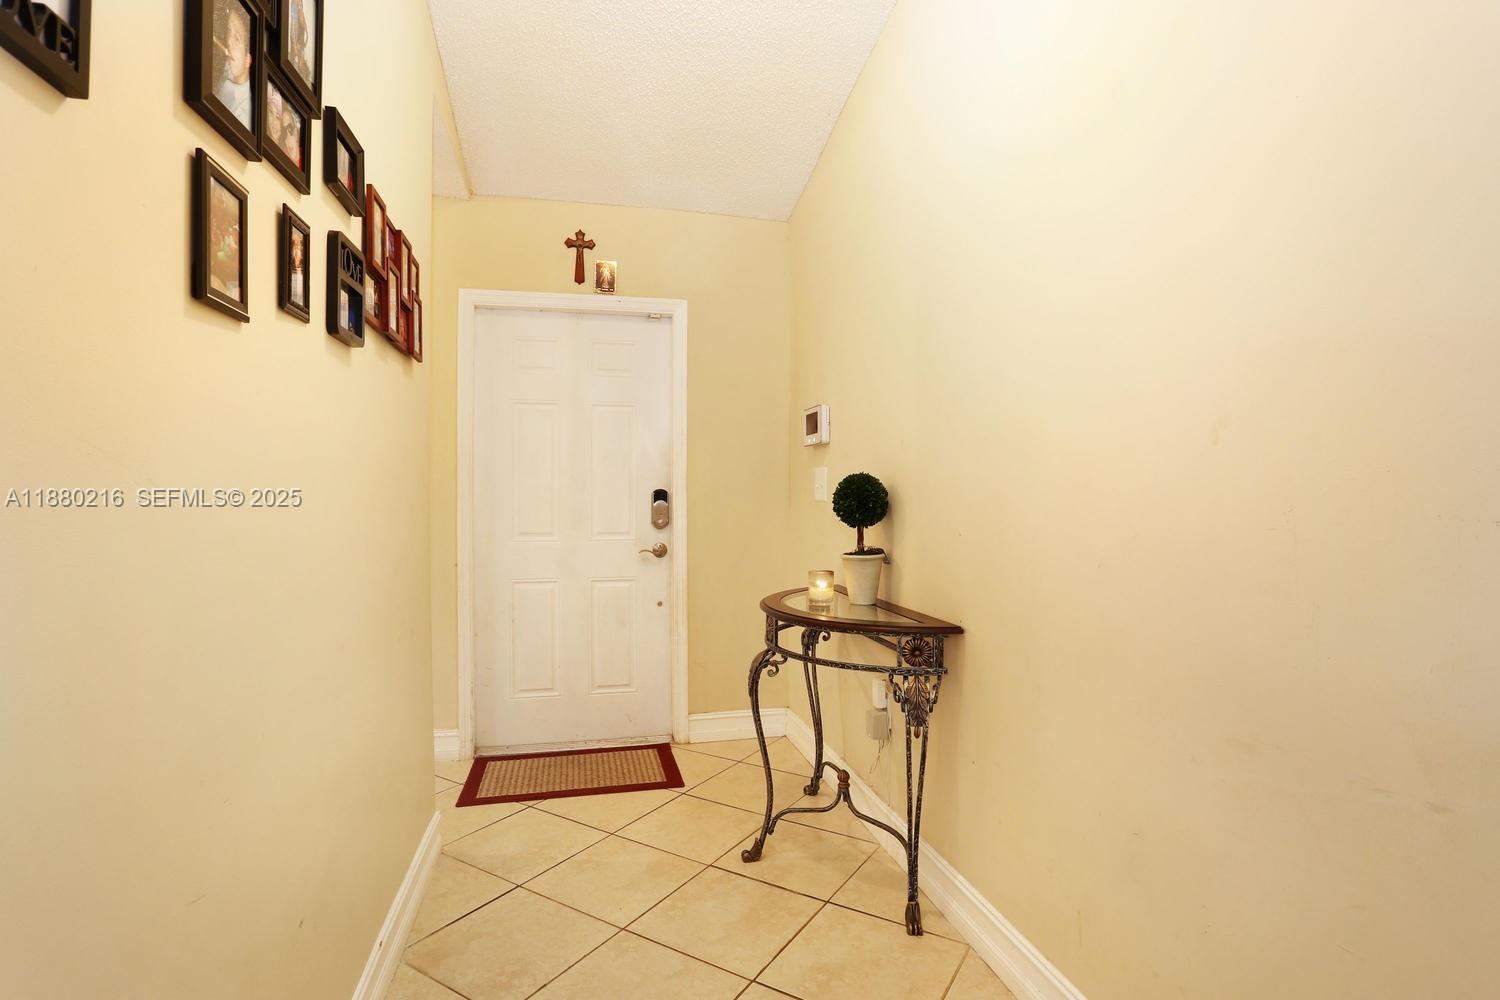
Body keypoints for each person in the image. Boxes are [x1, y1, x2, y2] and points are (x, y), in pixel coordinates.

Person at [214, 4, 253, 131]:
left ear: (248, 60)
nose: (229, 41)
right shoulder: (231, 66)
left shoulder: (242, 117)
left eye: (237, 38)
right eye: (228, 31)